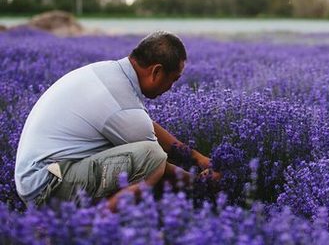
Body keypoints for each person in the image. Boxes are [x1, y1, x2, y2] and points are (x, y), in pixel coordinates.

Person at [14, 31, 220, 212]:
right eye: (173, 79)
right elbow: (156, 164)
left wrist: (196, 157)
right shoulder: (122, 105)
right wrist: (199, 184)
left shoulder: (109, 72)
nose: (171, 87)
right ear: (156, 71)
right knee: (153, 156)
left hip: (36, 177)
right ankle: (92, 226)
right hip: (47, 187)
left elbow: (144, 125)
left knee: (148, 156)